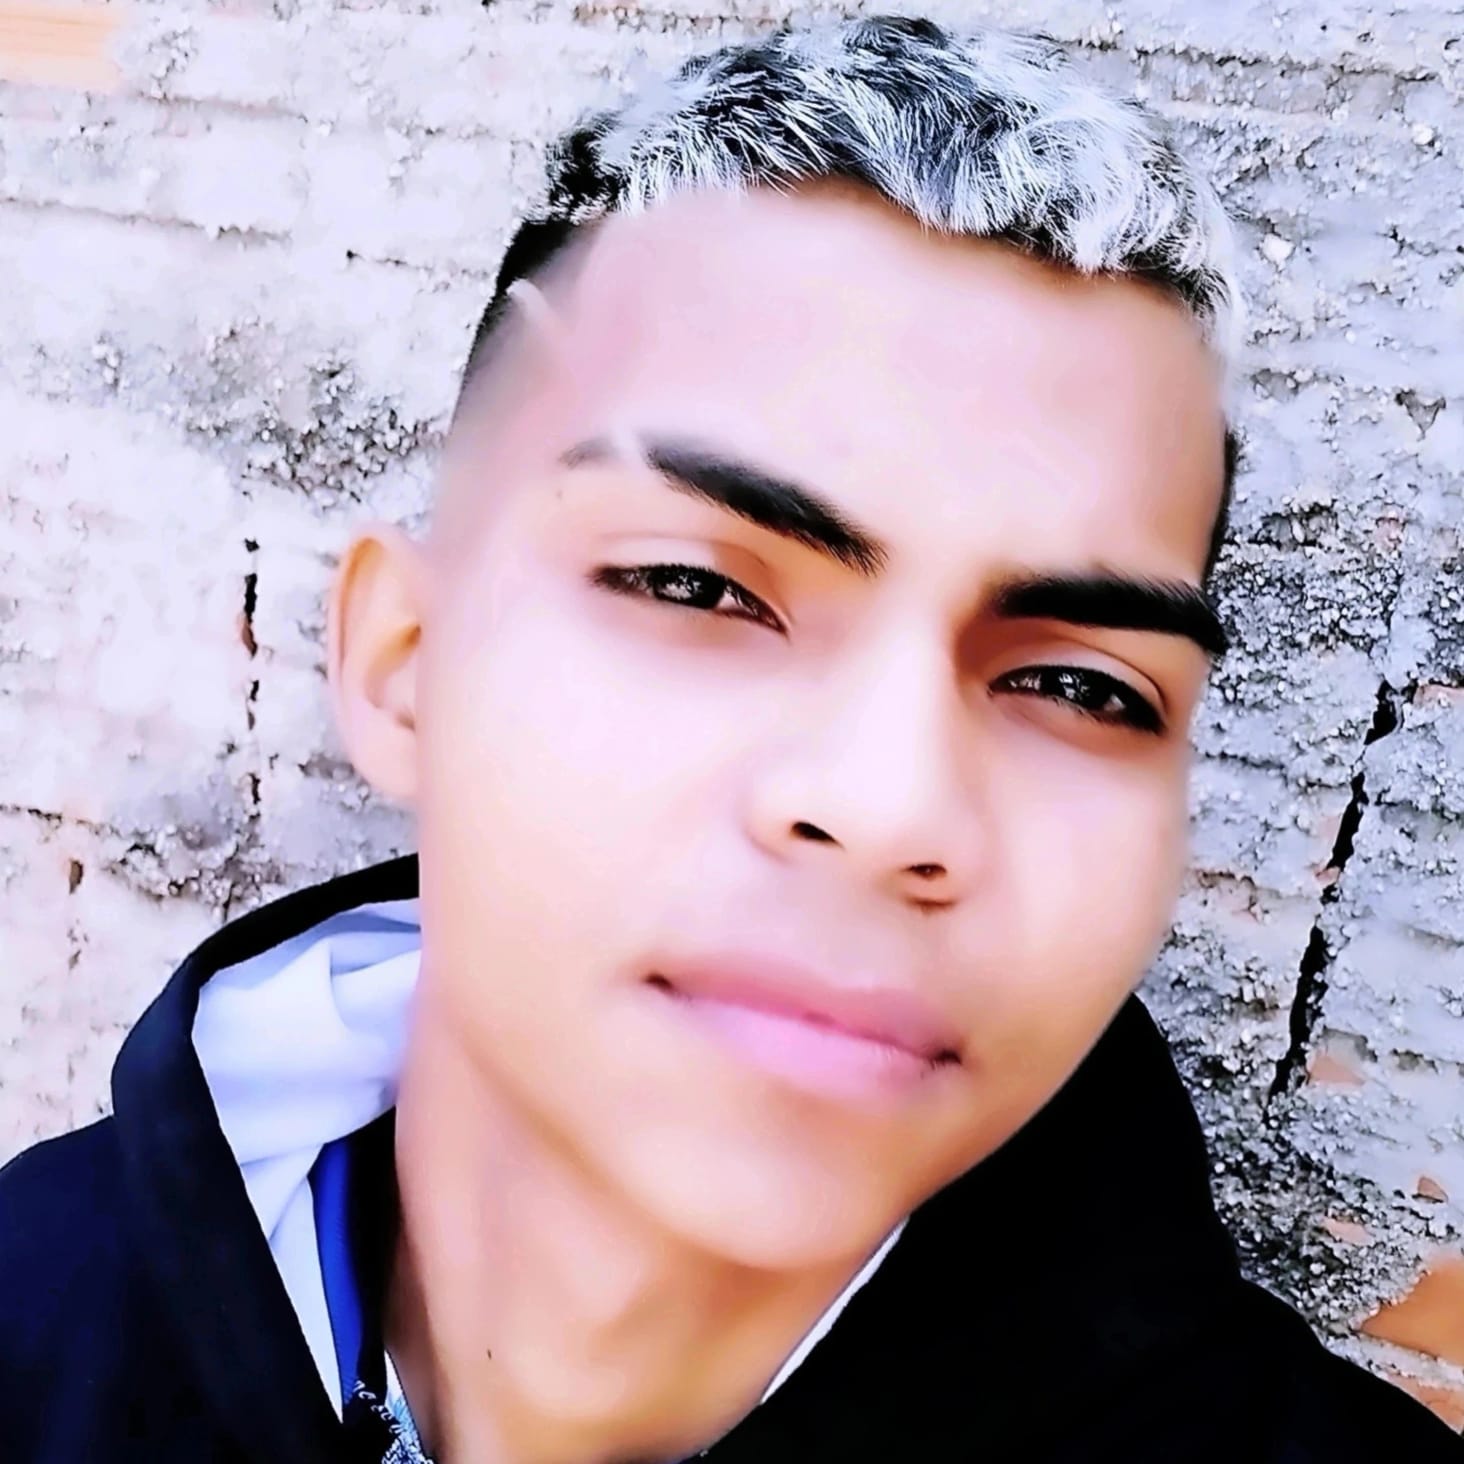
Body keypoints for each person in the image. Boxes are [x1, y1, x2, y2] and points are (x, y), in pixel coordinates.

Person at [2, 15, 1458, 1463]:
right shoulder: (34, 1308)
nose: (891, 802)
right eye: (694, 587)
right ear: (407, 665)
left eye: (1082, 688)